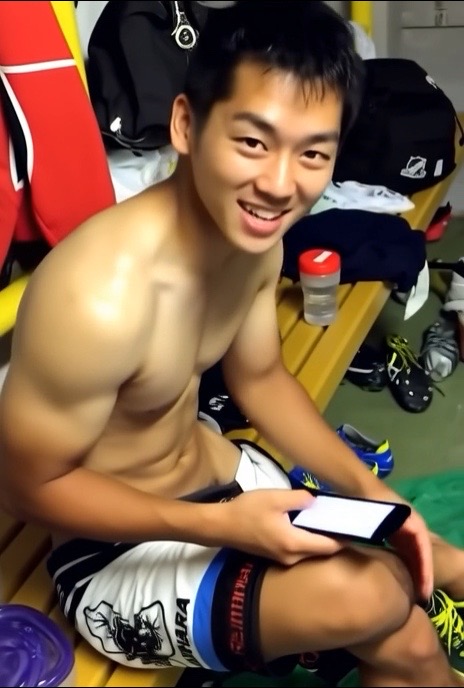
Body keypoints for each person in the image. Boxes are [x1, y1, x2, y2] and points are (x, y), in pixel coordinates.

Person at [0, 2, 463, 685]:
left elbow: (260, 379)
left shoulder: (253, 241)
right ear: (187, 125)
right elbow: (27, 489)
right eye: (252, 142)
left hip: (227, 478)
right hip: (114, 554)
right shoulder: (96, 298)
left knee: (418, 619)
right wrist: (226, 528)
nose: (279, 184)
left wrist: (372, 491)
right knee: (382, 593)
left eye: (312, 153)